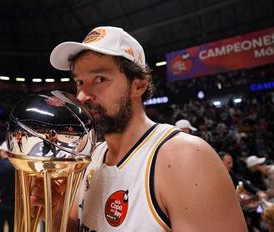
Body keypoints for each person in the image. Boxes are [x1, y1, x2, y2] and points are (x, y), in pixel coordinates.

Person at [30, 26, 246, 231]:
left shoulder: (184, 157)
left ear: (139, 85)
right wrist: (56, 212)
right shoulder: (91, 157)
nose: (82, 96)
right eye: (79, 82)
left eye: (100, 79)